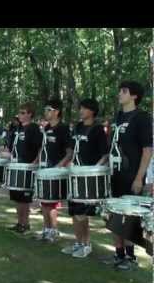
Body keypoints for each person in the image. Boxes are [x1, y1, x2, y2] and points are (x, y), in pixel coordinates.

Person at [104, 81, 153, 270]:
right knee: (114, 217)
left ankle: (131, 258)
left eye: (123, 91)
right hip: (115, 175)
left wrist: (139, 178)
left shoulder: (142, 117)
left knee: (129, 219)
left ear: (134, 96)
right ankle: (118, 254)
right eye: (120, 91)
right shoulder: (117, 117)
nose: (119, 94)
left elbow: (147, 150)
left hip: (132, 176)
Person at [61, 98, 109, 258]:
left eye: (84, 108)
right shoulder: (78, 127)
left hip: (87, 176)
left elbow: (105, 154)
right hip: (74, 173)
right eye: (80, 108)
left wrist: (94, 170)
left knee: (82, 213)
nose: (80, 111)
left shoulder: (98, 130)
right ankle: (78, 243)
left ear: (92, 111)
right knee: (74, 211)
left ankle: (86, 244)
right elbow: (72, 150)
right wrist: (68, 163)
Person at [37, 98, 73, 242]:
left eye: (48, 109)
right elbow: (42, 148)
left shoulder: (63, 129)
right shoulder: (46, 129)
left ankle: (54, 231)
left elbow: (69, 152)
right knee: (43, 201)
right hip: (45, 168)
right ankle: (46, 230)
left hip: (56, 170)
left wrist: (59, 167)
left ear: (57, 112)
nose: (45, 112)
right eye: (45, 109)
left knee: (51, 203)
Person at [7, 103, 43, 234]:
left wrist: (35, 162)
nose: (20, 115)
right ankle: (19, 223)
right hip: (16, 166)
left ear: (30, 114)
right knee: (17, 197)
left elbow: (40, 147)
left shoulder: (33, 128)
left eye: (23, 113)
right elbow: (13, 147)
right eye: (19, 112)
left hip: (27, 167)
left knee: (25, 199)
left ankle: (26, 224)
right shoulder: (17, 128)